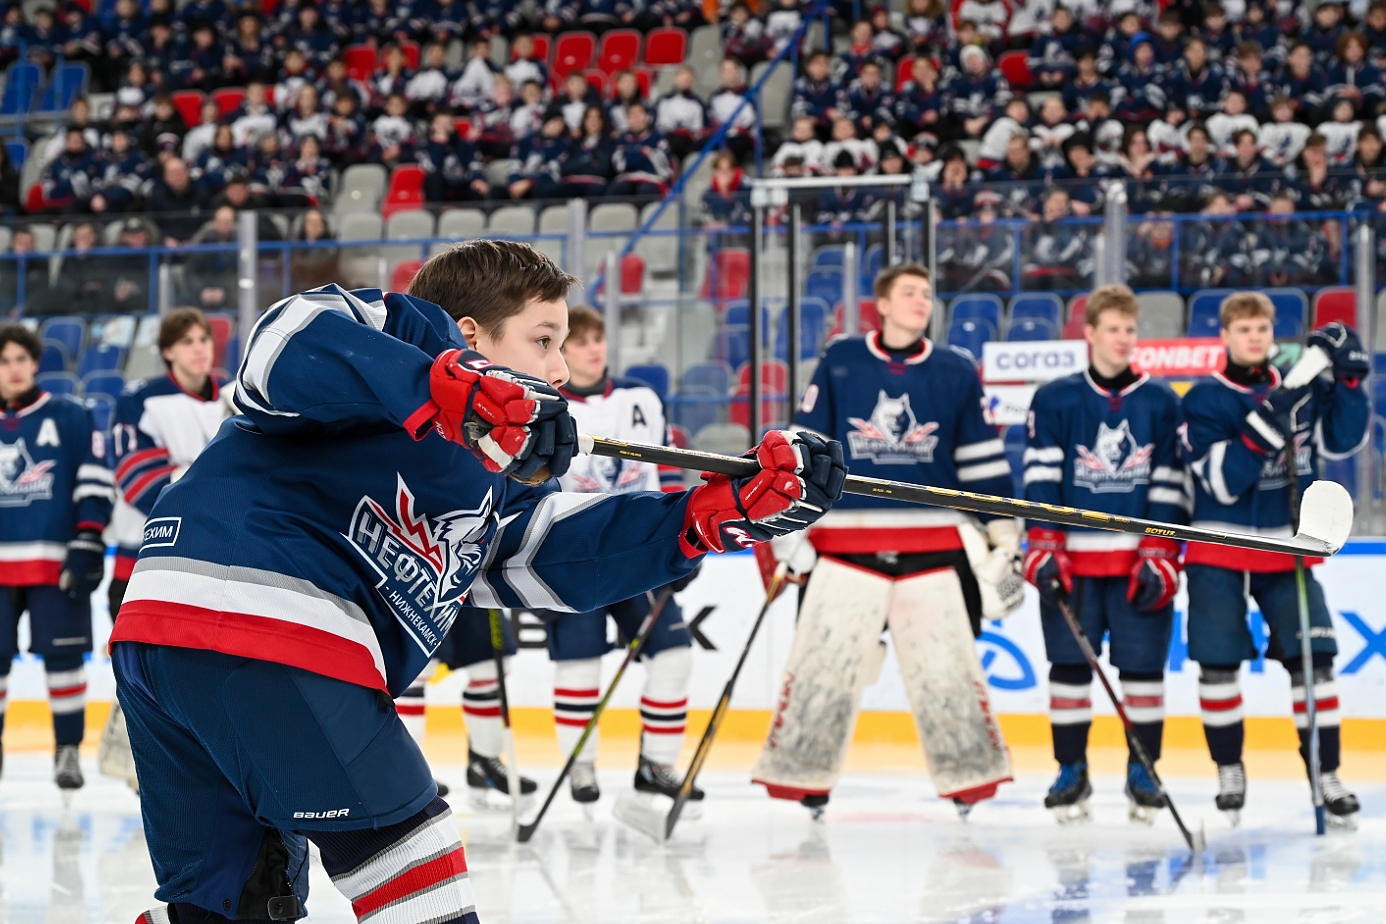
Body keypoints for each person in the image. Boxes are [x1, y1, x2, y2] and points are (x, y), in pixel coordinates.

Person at [113, 240, 847, 923]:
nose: (561, 371)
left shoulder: (492, 479)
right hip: (268, 629)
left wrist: (706, 517)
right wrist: (446, 384)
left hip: (163, 640)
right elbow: (284, 340)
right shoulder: (402, 339)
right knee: (419, 879)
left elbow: (546, 556)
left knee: (229, 904)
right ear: (469, 336)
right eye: (543, 340)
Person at [751, 263, 1023, 817]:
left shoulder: (955, 368)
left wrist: (1003, 530)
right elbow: (807, 451)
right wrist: (790, 530)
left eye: (927, 293)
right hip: (844, 545)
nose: (922, 300)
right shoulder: (842, 360)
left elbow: (979, 458)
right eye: (909, 292)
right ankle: (804, 780)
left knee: (948, 671)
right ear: (882, 303)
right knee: (825, 666)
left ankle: (969, 780)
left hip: (935, 546)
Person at [1180, 292, 1369, 827]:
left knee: (1316, 660)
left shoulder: (1302, 389)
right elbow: (1225, 481)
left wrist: (1349, 381)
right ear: (1225, 336)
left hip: (1289, 546)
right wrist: (1272, 413)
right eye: (1244, 329)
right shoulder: (1202, 399)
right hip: (1219, 547)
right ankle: (1229, 770)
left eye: (1262, 328)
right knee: (1218, 663)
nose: (1255, 338)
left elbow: (1344, 439)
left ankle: (1326, 774)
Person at [1022, 286, 1190, 824]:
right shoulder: (1055, 399)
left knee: (1144, 672)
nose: (1123, 339)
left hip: (1137, 564)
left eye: (1130, 330)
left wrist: (1159, 551)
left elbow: (1170, 482)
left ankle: (1144, 772)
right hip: (1072, 565)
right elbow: (1041, 479)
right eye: (1113, 329)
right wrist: (1044, 546)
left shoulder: (1161, 401)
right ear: (1090, 332)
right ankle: (1071, 771)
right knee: (1068, 669)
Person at [531, 305, 701, 804]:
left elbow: (670, 472)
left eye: (598, 339)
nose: (594, 349)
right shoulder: (544, 404)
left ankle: (658, 765)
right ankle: (580, 768)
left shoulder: (641, 397)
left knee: (674, 657)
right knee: (579, 666)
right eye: (580, 342)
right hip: (572, 553)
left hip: (639, 548)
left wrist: (680, 539)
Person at [0, 324, 114, 789]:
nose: (14, 369)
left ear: (34, 363)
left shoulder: (69, 415)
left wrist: (89, 537)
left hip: (55, 562)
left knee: (63, 658)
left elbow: (95, 480)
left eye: (21, 359)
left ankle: (67, 750)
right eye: (4, 361)